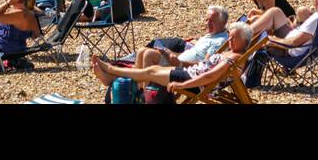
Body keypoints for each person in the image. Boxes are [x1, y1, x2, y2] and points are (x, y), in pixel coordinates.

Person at [89, 22, 253, 99]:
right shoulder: (232, 54)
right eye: (229, 36)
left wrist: (182, 86)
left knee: (151, 72)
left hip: (194, 81)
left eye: (234, 38)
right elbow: (204, 69)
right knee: (150, 71)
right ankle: (113, 74)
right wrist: (180, 63)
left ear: (245, 40)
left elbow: (210, 77)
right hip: (190, 73)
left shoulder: (234, 58)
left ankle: (111, 71)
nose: (230, 40)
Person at [139, 5, 231, 68]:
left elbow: (206, 66)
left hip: (185, 71)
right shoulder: (214, 34)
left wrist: (179, 63)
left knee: (148, 55)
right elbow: (197, 53)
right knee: (141, 51)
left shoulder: (219, 41)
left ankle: (145, 95)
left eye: (212, 21)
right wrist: (173, 55)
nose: (207, 24)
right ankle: (137, 92)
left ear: (222, 22)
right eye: (207, 20)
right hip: (178, 63)